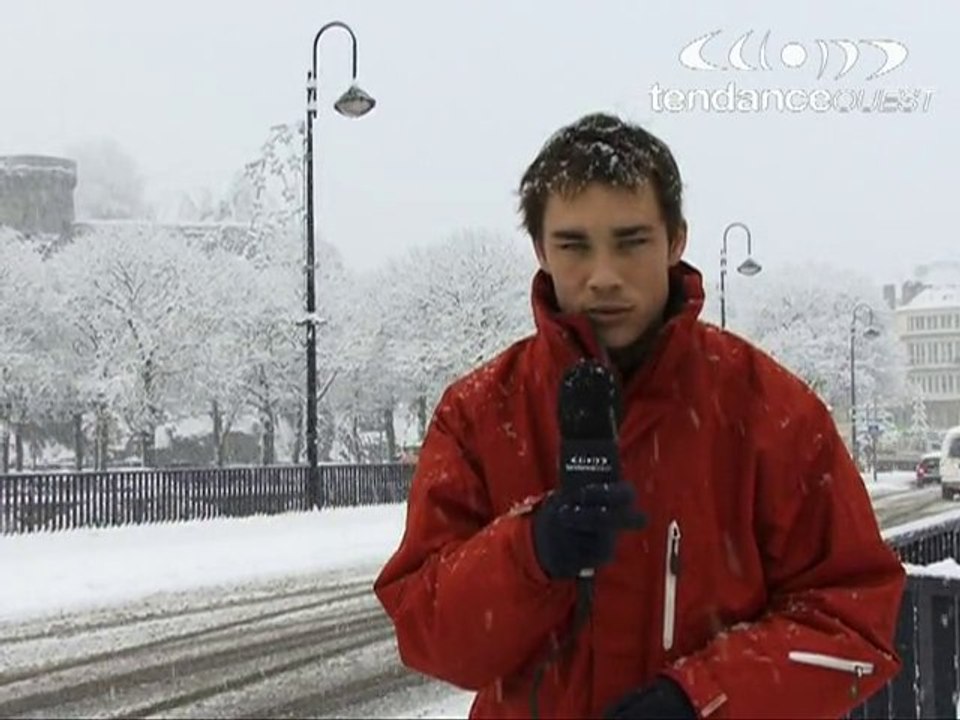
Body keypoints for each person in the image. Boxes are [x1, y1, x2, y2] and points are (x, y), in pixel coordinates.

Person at [373, 112, 906, 719]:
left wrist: (701, 700)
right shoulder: (477, 414)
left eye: (631, 242)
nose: (604, 277)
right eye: (574, 245)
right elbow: (431, 636)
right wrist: (532, 551)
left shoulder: (771, 411)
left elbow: (853, 619)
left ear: (676, 239)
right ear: (540, 249)